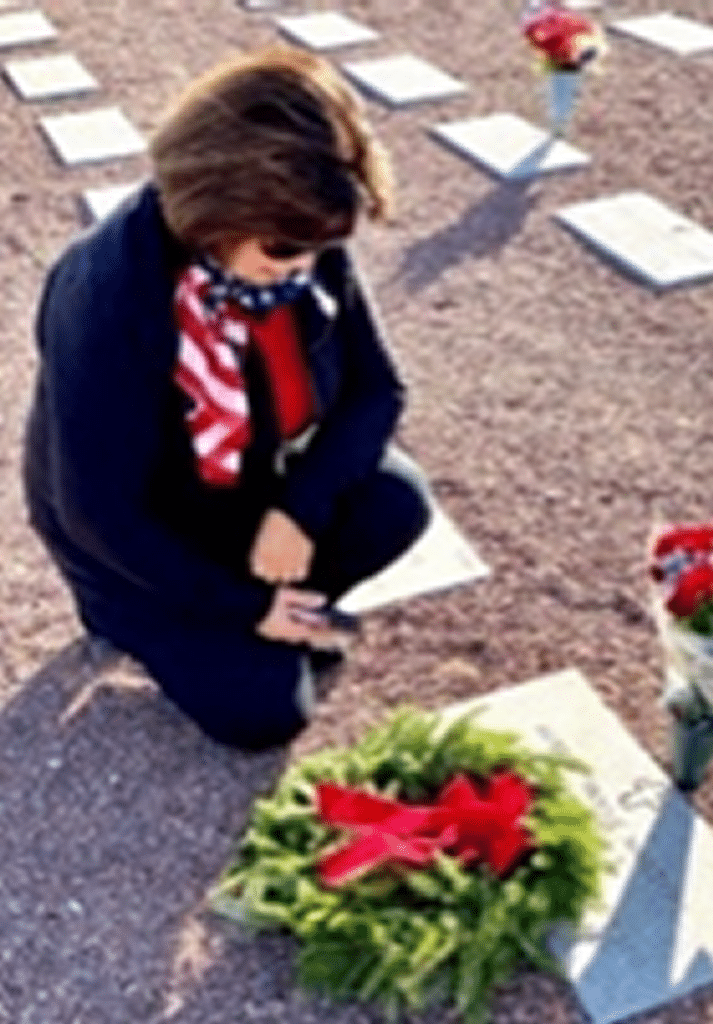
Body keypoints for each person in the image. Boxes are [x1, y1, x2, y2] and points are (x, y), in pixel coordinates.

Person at [23, 46, 431, 750]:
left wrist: (298, 513)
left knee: (399, 503)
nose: (305, 267)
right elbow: (100, 514)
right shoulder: (108, 296)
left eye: (320, 247)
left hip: (247, 486)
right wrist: (247, 607)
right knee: (265, 716)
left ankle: (271, 612)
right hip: (141, 539)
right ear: (215, 211)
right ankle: (190, 622)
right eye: (282, 251)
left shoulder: (297, 227)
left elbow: (378, 389)